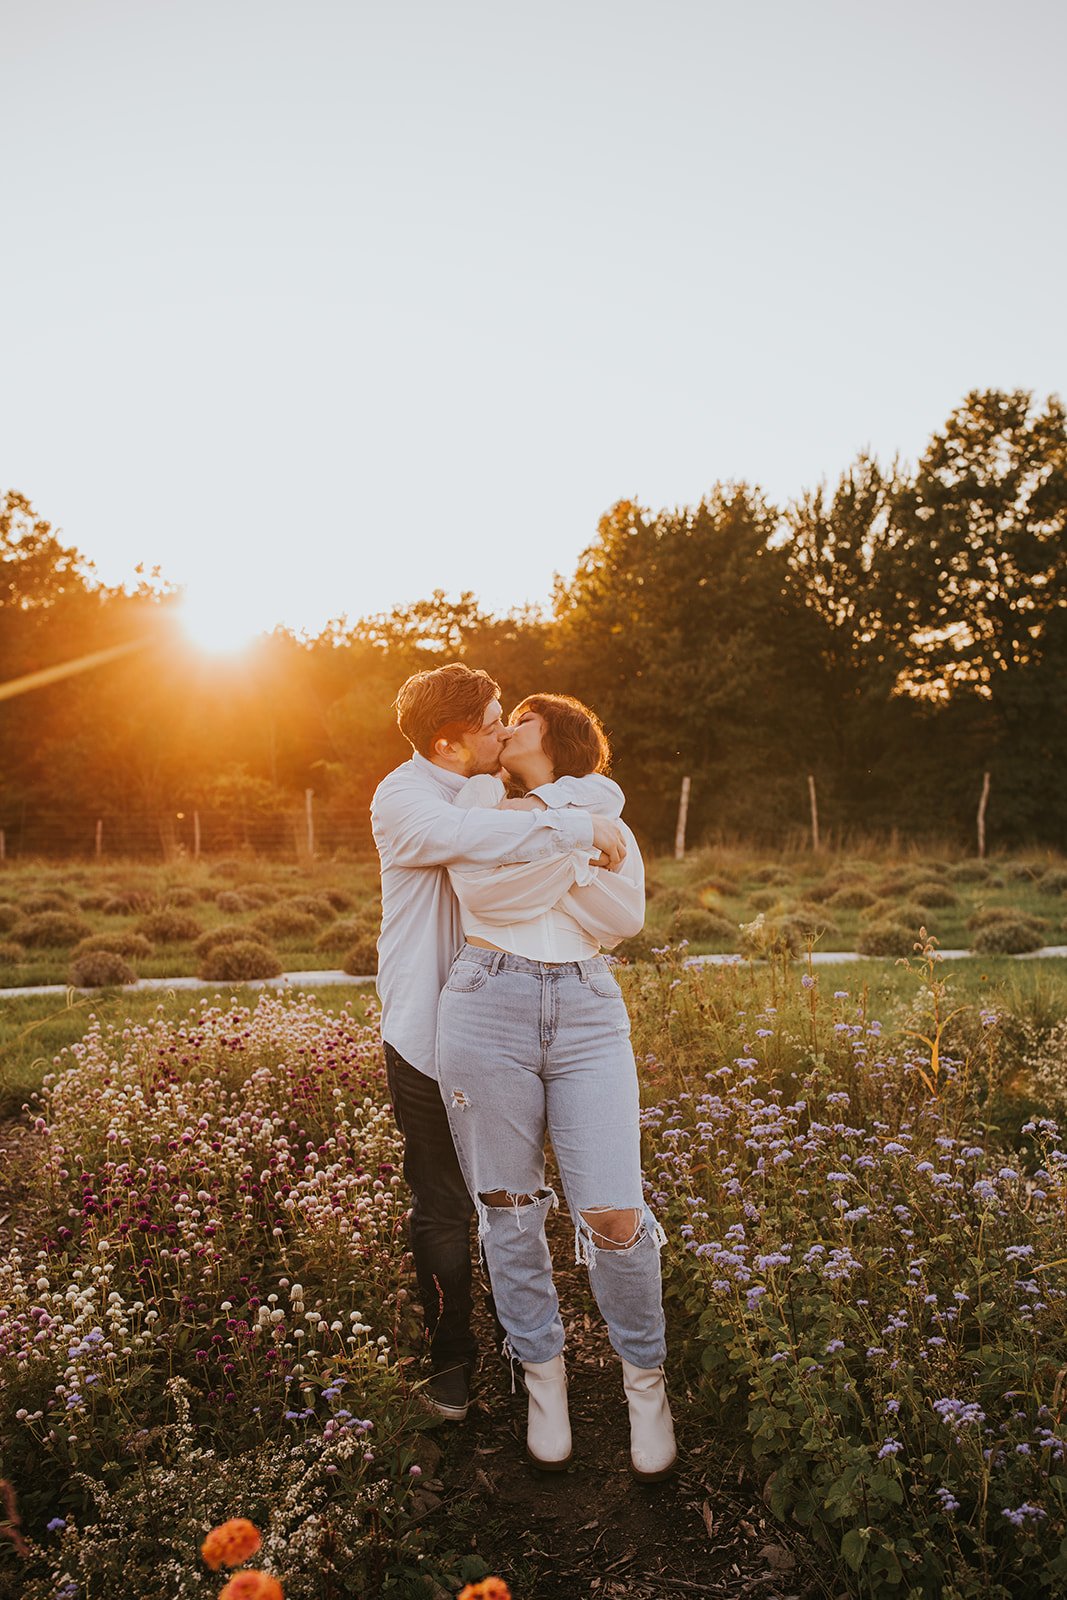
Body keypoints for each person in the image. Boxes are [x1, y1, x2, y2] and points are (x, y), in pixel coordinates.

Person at [370, 664, 628, 1422]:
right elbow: (463, 836)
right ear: (450, 743)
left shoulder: (510, 794)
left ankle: (530, 1350)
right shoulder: (407, 796)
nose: (504, 729)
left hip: (516, 1026)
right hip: (426, 1036)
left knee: (513, 1200)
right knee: (445, 1206)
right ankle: (450, 1360)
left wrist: (583, 814)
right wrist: (580, 829)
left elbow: (597, 789)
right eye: (491, 720)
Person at [436, 693, 677, 1481]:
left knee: (614, 1210)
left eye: (523, 720)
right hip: (484, 1002)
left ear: (561, 737)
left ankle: (645, 1382)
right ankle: (544, 1379)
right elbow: (484, 897)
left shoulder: (606, 811)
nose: (505, 729)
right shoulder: (478, 805)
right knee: (507, 1206)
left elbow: (626, 916)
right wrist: (575, 858)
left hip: (586, 1006)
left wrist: (544, 862)